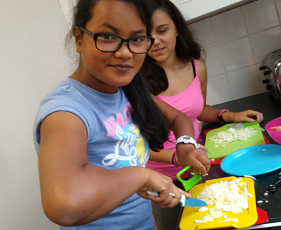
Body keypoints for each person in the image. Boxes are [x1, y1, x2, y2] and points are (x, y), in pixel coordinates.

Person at [33, 0, 211, 229]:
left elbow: (178, 118)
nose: (125, 52)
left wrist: (185, 145)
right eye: (108, 36)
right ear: (78, 38)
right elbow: (65, 205)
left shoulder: (126, 90)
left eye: (136, 39)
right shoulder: (66, 110)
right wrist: (141, 176)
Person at [141, 0, 263, 229]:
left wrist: (229, 115)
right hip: (161, 181)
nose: (155, 41)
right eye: (146, 35)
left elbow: (196, 110)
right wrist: (179, 157)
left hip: (197, 168)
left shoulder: (197, 67)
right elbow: (137, 146)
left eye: (162, 30)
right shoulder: (135, 83)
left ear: (177, 28)